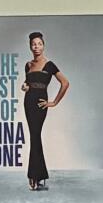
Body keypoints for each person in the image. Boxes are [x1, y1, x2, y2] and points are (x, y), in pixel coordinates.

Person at [20, 30, 69, 192]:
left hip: (40, 105)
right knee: (34, 137)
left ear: (44, 46)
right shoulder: (28, 65)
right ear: (30, 46)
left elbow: (65, 83)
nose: (36, 47)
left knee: (35, 136)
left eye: (39, 44)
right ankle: (38, 174)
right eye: (33, 44)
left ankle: (33, 175)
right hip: (28, 103)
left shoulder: (50, 65)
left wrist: (54, 102)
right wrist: (25, 86)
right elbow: (27, 84)